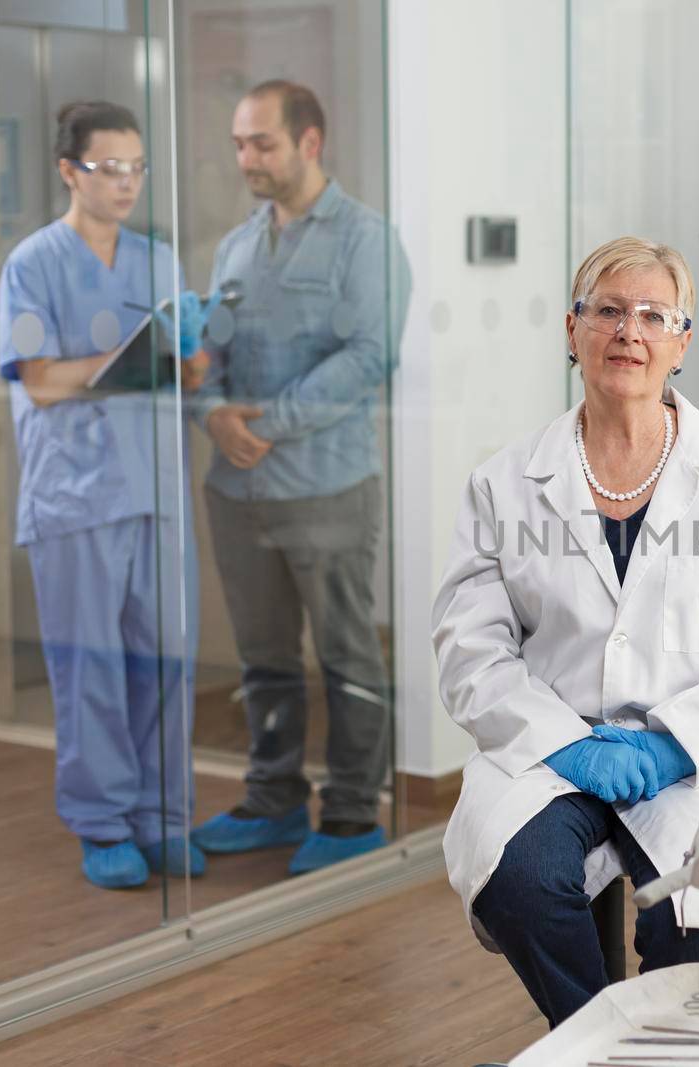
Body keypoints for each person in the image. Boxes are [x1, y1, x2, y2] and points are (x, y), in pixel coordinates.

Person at [432, 236, 699, 1027]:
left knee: (695, 927)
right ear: (572, 332)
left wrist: (672, 746)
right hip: (548, 749)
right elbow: (471, 649)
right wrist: (566, 743)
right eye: (606, 310)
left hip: (687, 761)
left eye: (652, 315)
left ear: (682, 342)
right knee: (522, 882)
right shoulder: (505, 482)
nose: (628, 332)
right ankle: (595, 1037)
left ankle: (649, 1042)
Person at [190, 80, 410, 876]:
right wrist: (214, 413)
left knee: (347, 653)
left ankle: (352, 814)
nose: (247, 158)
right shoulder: (237, 245)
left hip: (326, 488)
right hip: (238, 490)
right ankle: (273, 800)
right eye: (240, 143)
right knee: (265, 657)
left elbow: (368, 357)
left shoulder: (365, 240)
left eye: (263, 143)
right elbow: (205, 349)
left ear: (310, 143)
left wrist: (264, 426)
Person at [0, 100, 210, 890]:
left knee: (166, 661)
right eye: (108, 167)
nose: (126, 183)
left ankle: (163, 818)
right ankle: (101, 822)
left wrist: (188, 359)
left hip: (154, 487)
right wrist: (119, 358)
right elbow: (39, 381)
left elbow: (187, 371)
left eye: (135, 168)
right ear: (67, 170)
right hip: (74, 497)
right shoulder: (32, 265)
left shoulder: (159, 261)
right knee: (88, 667)